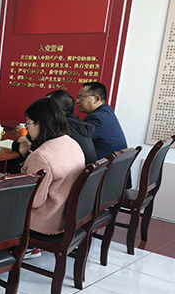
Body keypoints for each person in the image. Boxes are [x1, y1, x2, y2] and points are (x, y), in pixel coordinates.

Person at [20, 98, 85, 236]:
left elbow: (33, 201)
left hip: (43, 221)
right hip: (66, 216)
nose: (27, 129)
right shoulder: (72, 143)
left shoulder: (40, 157)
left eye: (28, 124)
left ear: (39, 123)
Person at [77, 81, 128, 160]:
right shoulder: (106, 111)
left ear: (96, 99)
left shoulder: (96, 118)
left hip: (104, 165)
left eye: (81, 97)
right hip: (114, 164)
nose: (77, 101)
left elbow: (77, 143)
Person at [46, 90, 97, 164]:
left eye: (46, 105)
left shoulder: (63, 126)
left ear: (55, 109)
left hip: (78, 170)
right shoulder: (76, 122)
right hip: (87, 169)